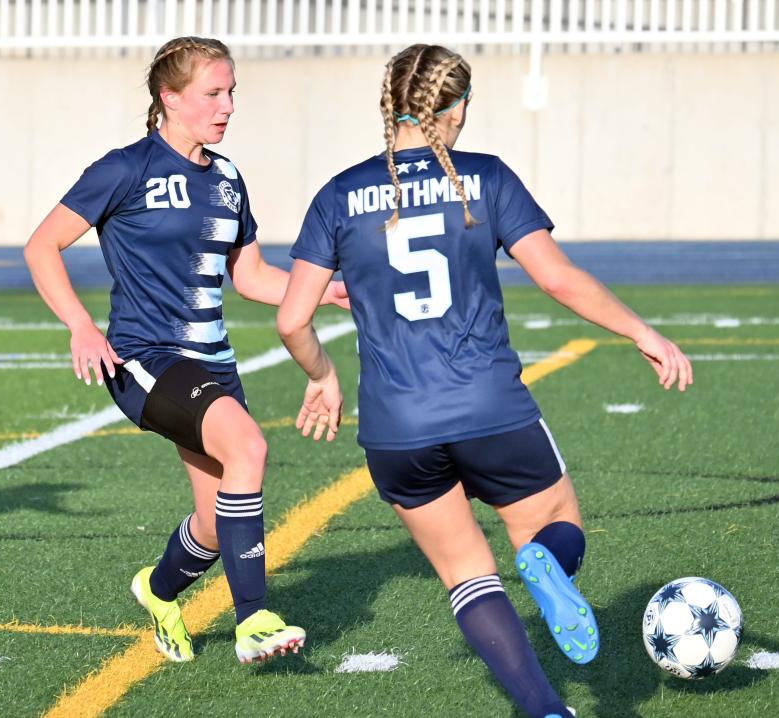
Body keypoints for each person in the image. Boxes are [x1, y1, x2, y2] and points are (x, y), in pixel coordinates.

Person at [276, 44, 693, 717]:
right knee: (557, 524)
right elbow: (556, 277)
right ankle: (544, 563)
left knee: (466, 576)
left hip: (396, 429)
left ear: (388, 106)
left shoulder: (339, 193)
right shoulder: (486, 179)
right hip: (489, 409)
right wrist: (641, 332)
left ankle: (545, 709)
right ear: (459, 106)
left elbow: (292, 317)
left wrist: (321, 376)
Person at [23, 36, 348, 665]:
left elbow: (250, 277)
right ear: (169, 98)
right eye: (213, 94)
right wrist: (81, 326)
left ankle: (158, 588)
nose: (227, 107)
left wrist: (325, 290)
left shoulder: (227, 179)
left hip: (214, 362)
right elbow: (41, 247)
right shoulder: (125, 168)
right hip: (146, 356)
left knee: (216, 521)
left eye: (232, 93)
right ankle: (253, 619)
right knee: (250, 447)